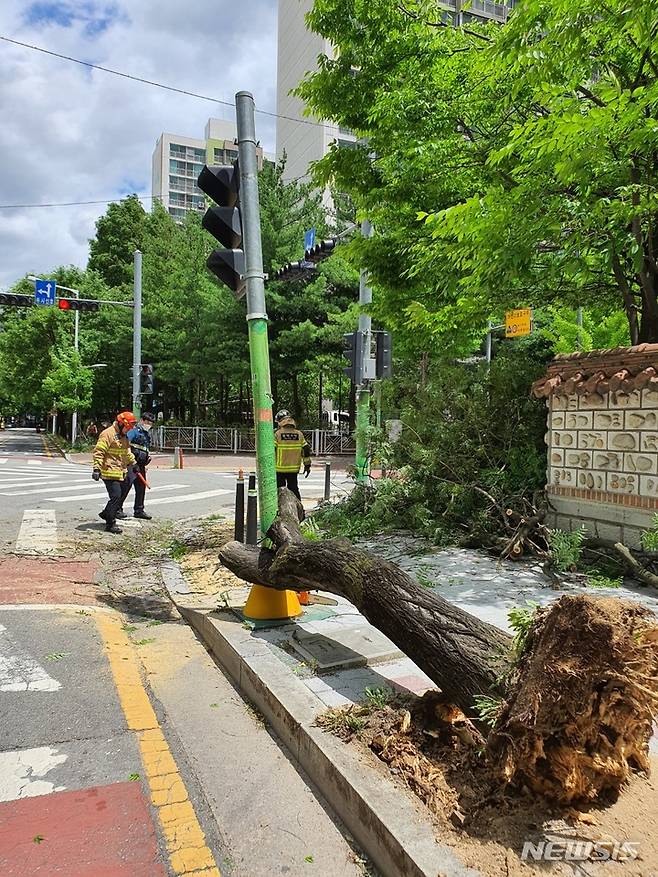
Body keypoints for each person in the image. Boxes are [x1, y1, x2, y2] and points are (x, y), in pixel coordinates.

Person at [92, 411, 137, 534]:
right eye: (128, 427)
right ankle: (110, 523)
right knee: (116, 496)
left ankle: (106, 513)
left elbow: (127, 452)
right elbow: (99, 452)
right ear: (121, 424)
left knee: (120, 496)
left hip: (120, 471)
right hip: (108, 471)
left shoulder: (123, 436)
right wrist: (96, 468)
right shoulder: (107, 434)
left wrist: (134, 463)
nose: (129, 430)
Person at [122, 411, 155, 520]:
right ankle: (117, 508)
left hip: (141, 466)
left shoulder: (146, 435)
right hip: (131, 464)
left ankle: (139, 510)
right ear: (142, 421)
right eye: (147, 422)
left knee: (141, 488)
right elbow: (125, 444)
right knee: (126, 486)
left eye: (151, 423)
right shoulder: (134, 432)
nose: (149, 424)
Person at [274, 409, 311, 500]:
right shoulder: (299, 434)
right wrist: (307, 465)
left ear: (280, 422)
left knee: (279, 492)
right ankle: (300, 512)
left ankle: (279, 512)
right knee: (294, 490)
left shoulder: (277, 434)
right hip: (294, 469)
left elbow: (272, 450)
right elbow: (306, 449)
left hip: (279, 469)